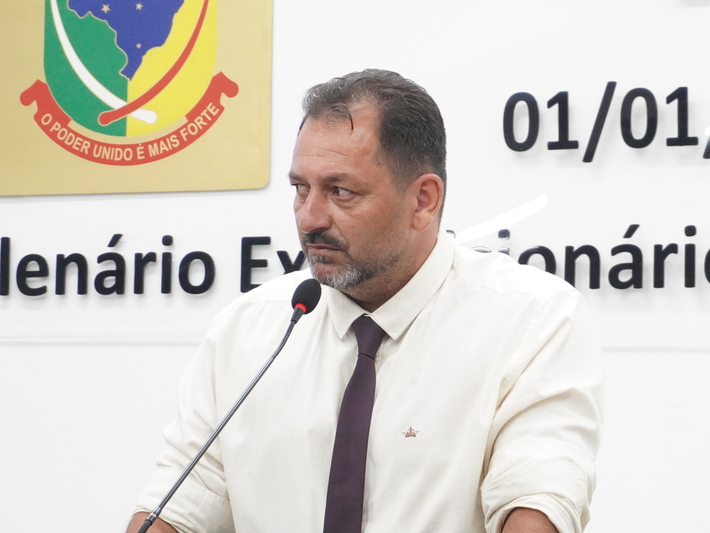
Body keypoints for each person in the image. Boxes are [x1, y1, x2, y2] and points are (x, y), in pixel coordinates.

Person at [126, 69, 602, 533]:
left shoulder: (532, 319)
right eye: (300, 189)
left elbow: (537, 495)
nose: (310, 218)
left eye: (340, 192)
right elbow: (178, 508)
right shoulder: (248, 329)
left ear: (423, 200)